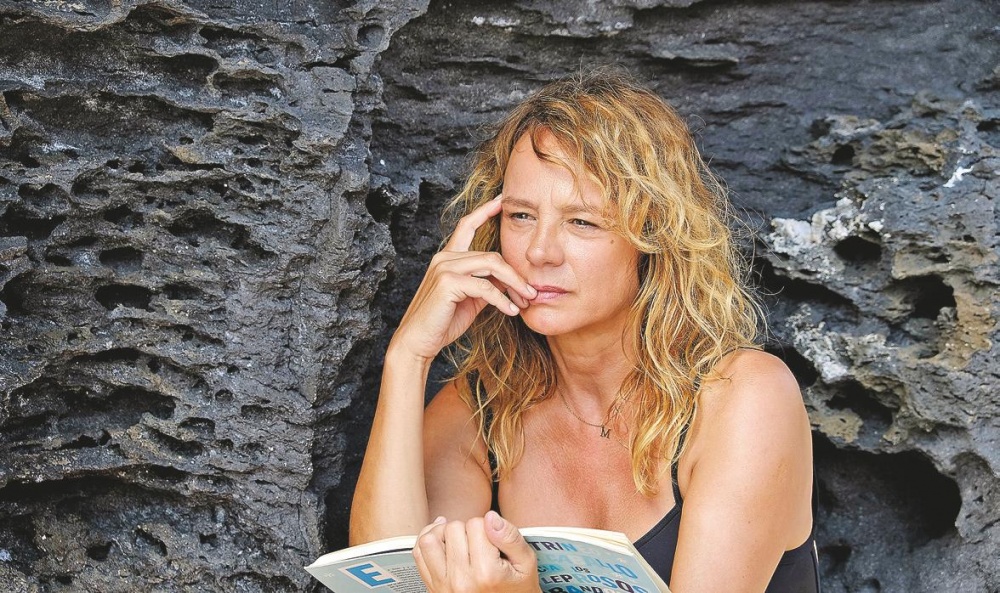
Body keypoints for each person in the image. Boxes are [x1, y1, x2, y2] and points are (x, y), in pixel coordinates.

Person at [349, 68, 819, 593]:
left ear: (654, 237)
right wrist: (408, 357)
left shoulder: (742, 398)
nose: (540, 251)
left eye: (582, 222)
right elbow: (386, 584)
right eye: (521, 216)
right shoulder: (478, 410)